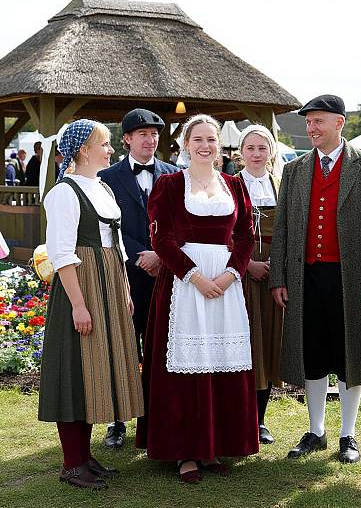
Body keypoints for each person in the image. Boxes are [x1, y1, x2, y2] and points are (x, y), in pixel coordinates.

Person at [135, 114, 258, 483]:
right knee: (186, 367)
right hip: (183, 285)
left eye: (211, 140)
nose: (205, 146)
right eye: (198, 139)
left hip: (225, 283)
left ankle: (214, 446)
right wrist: (195, 277)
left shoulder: (234, 185)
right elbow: (162, 240)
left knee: (221, 362)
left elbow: (245, 235)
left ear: (219, 146)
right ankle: (185, 452)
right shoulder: (171, 184)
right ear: (185, 145)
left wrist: (230, 274)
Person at [269, 95, 361, 463]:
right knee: (312, 352)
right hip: (306, 276)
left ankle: (348, 435)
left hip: (349, 277)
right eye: (308, 122)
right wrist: (279, 276)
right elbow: (283, 228)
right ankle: (316, 430)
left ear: (339, 123)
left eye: (318, 121)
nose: (311, 128)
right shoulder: (296, 169)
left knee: (349, 353)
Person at [38, 119, 144, 489]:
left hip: (109, 281)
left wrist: (125, 290)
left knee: (96, 368)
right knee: (74, 371)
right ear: (84, 149)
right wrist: (79, 306)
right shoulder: (64, 193)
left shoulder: (100, 187)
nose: (111, 149)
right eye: (105, 143)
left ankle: (84, 457)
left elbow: (117, 246)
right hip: (81, 287)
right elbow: (62, 254)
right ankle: (71, 463)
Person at [99, 108, 178, 448]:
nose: (150, 139)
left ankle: (155, 420)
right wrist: (140, 255)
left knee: (162, 350)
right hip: (126, 277)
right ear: (127, 139)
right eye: (142, 133)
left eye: (155, 133)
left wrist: (162, 255)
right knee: (123, 347)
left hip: (167, 276)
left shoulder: (177, 175)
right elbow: (106, 225)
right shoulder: (106, 177)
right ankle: (118, 421)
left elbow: (181, 223)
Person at [237, 125, 283, 444]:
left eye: (261, 148)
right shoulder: (228, 184)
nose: (255, 154)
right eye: (250, 148)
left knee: (266, 340)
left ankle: (260, 419)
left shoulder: (280, 185)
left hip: (272, 270)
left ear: (271, 152)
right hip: (237, 269)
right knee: (241, 339)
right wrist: (246, 264)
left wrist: (277, 269)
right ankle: (238, 416)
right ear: (241, 151)